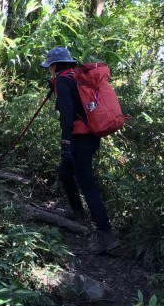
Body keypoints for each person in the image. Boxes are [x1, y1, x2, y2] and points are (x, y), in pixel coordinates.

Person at [41, 46, 120, 254]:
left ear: (55, 65)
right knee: (65, 173)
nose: (49, 70)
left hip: (78, 139)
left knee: (88, 186)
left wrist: (65, 143)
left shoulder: (63, 80)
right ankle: (77, 213)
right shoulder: (76, 77)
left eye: (50, 66)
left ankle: (106, 235)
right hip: (91, 137)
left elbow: (67, 116)